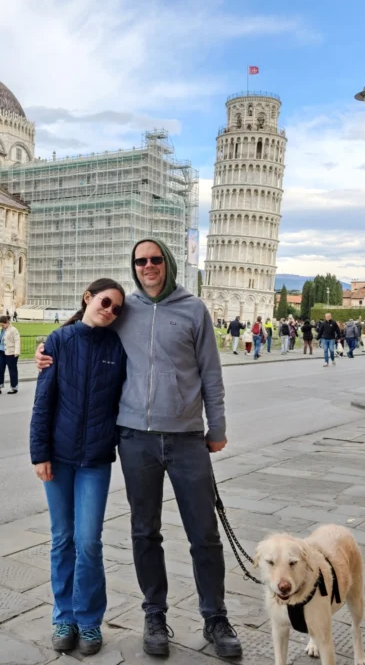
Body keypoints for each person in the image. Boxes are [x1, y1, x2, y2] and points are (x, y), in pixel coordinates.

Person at [36, 238, 243, 659]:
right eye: (140, 261)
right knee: (144, 532)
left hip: (186, 437)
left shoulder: (193, 309)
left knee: (203, 533)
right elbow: (85, 328)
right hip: (134, 438)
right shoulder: (125, 310)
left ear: (166, 263)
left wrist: (216, 428)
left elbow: (211, 374)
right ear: (134, 267)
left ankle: (215, 617)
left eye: (154, 260)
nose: (148, 266)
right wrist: (46, 348)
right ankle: (154, 616)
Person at [30, 279, 127, 656]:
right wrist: (39, 453)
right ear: (88, 298)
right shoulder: (59, 341)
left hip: (96, 460)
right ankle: (63, 617)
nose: (110, 311)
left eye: (117, 309)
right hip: (59, 455)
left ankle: (88, 621)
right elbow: (44, 401)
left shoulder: (117, 347)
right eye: (106, 302)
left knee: (88, 542)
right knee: (62, 539)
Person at [0, 315, 21, 395]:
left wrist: (16, 352)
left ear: (7, 323)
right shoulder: (1, 330)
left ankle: (14, 387)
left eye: (3, 325)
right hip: (1, 352)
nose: (2, 326)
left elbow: (17, 341)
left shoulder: (13, 330)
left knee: (12, 370)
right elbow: (0, 340)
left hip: (11, 353)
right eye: (0, 325)